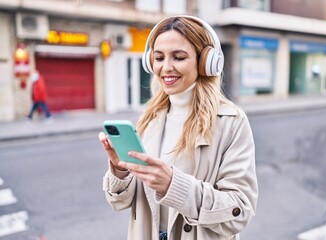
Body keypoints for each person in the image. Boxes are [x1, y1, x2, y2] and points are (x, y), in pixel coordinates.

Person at [99, 15, 258, 240]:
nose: (166, 68)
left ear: (205, 62)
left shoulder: (231, 121)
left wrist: (174, 186)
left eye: (179, 57)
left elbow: (239, 212)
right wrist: (120, 170)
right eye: (159, 57)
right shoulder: (149, 117)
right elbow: (121, 202)